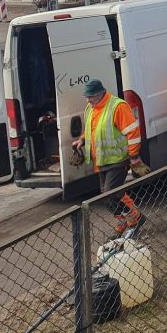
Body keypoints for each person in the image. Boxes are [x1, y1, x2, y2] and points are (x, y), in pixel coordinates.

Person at [71, 79, 145, 235]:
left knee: (111, 193)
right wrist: (82, 140)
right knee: (108, 196)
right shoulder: (91, 108)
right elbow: (91, 130)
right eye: (87, 97)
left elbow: (133, 132)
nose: (87, 100)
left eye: (90, 97)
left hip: (118, 159)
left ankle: (135, 217)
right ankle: (123, 220)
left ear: (100, 94)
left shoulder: (118, 106)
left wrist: (134, 157)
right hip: (102, 160)